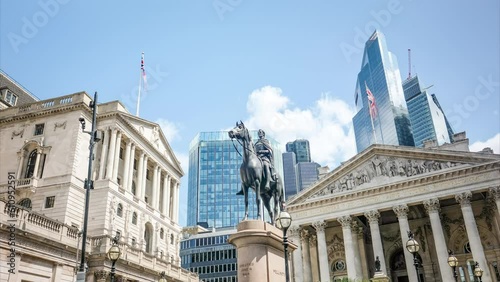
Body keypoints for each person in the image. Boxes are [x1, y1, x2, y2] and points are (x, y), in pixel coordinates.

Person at [236, 129, 276, 195]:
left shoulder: (266, 141)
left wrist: (261, 152)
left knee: (265, 165)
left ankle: (268, 182)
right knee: (246, 168)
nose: (259, 133)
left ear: (263, 134)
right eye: (259, 133)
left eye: (261, 132)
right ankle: (243, 188)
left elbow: (269, 151)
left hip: (264, 158)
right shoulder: (256, 143)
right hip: (257, 159)